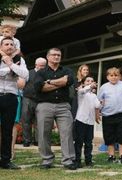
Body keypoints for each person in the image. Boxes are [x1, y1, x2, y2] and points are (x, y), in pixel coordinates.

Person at [33, 48, 77, 170]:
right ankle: (46, 159)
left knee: (67, 133)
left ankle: (68, 160)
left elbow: (68, 81)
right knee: (43, 133)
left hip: (63, 105)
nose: (56, 57)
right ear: (48, 57)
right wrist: (60, 82)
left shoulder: (67, 70)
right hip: (44, 105)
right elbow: (39, 88)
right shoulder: (40, 72)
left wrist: (49, 82)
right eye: (54, 55)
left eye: (59, 55)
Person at [0, 37, 28, 169]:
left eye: (12, 44)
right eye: (6, 44)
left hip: (11, 97)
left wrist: (10, 64)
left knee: (7, 130)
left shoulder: (19, 60)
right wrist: (9, 71)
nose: (9, 46)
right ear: (1, 47)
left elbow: (25, 75)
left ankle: (5, 160)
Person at [74, 76, 101, 167]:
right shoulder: (81, 92)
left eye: (92, 81)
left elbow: (97, 105)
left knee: (89, 142)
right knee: (79, 142)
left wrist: (102, 102)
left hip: (90, 122)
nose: (90, 82)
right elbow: (82, 91)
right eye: (88, 81)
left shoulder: (94, 95)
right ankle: (77, 160)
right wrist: (89, 86)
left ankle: (88, 160)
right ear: (83, 83)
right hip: (81, 120)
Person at [21, 57, 46, 147]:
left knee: (39, 121)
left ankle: (37, 141)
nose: (43, 67)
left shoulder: (46, 74)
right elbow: (21, 84)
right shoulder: (28, 73)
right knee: (26, 120)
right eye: (41, 66)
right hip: (28, 99)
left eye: (44, 66)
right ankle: (26, 140)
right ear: (36, 65)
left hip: (40, 100)